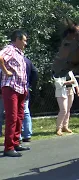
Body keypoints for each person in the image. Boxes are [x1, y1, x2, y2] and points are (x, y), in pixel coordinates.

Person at [0, 29, 29, 157]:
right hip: (10, 88)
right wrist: (6, 72)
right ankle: (9, 147)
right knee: (11, 117)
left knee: (19, 116)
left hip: (21, 88)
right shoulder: (10, 49)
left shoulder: (19, 52)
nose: (25, 43)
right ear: (17, 39)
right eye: (24, 40)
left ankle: (16, 143)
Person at [54, 71, 79, 136]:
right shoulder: (57, 72)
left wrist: (78, 90)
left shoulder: (69, 71)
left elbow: (74, 81)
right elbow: (57, 83)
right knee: (63, 110)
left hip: (70, 91)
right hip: (61, 92)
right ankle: (58, 128)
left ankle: (65, 127)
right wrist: (68, 82)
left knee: (68, 110)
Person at [19, 57, 38, 142]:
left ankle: (18, 136)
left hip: (12, 90)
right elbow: (35, 73)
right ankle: (27, 134)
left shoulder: (10, 61)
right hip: (25, 89)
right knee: (25, 112)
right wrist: (30, 85)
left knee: (15, 113)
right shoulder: (27, 61)